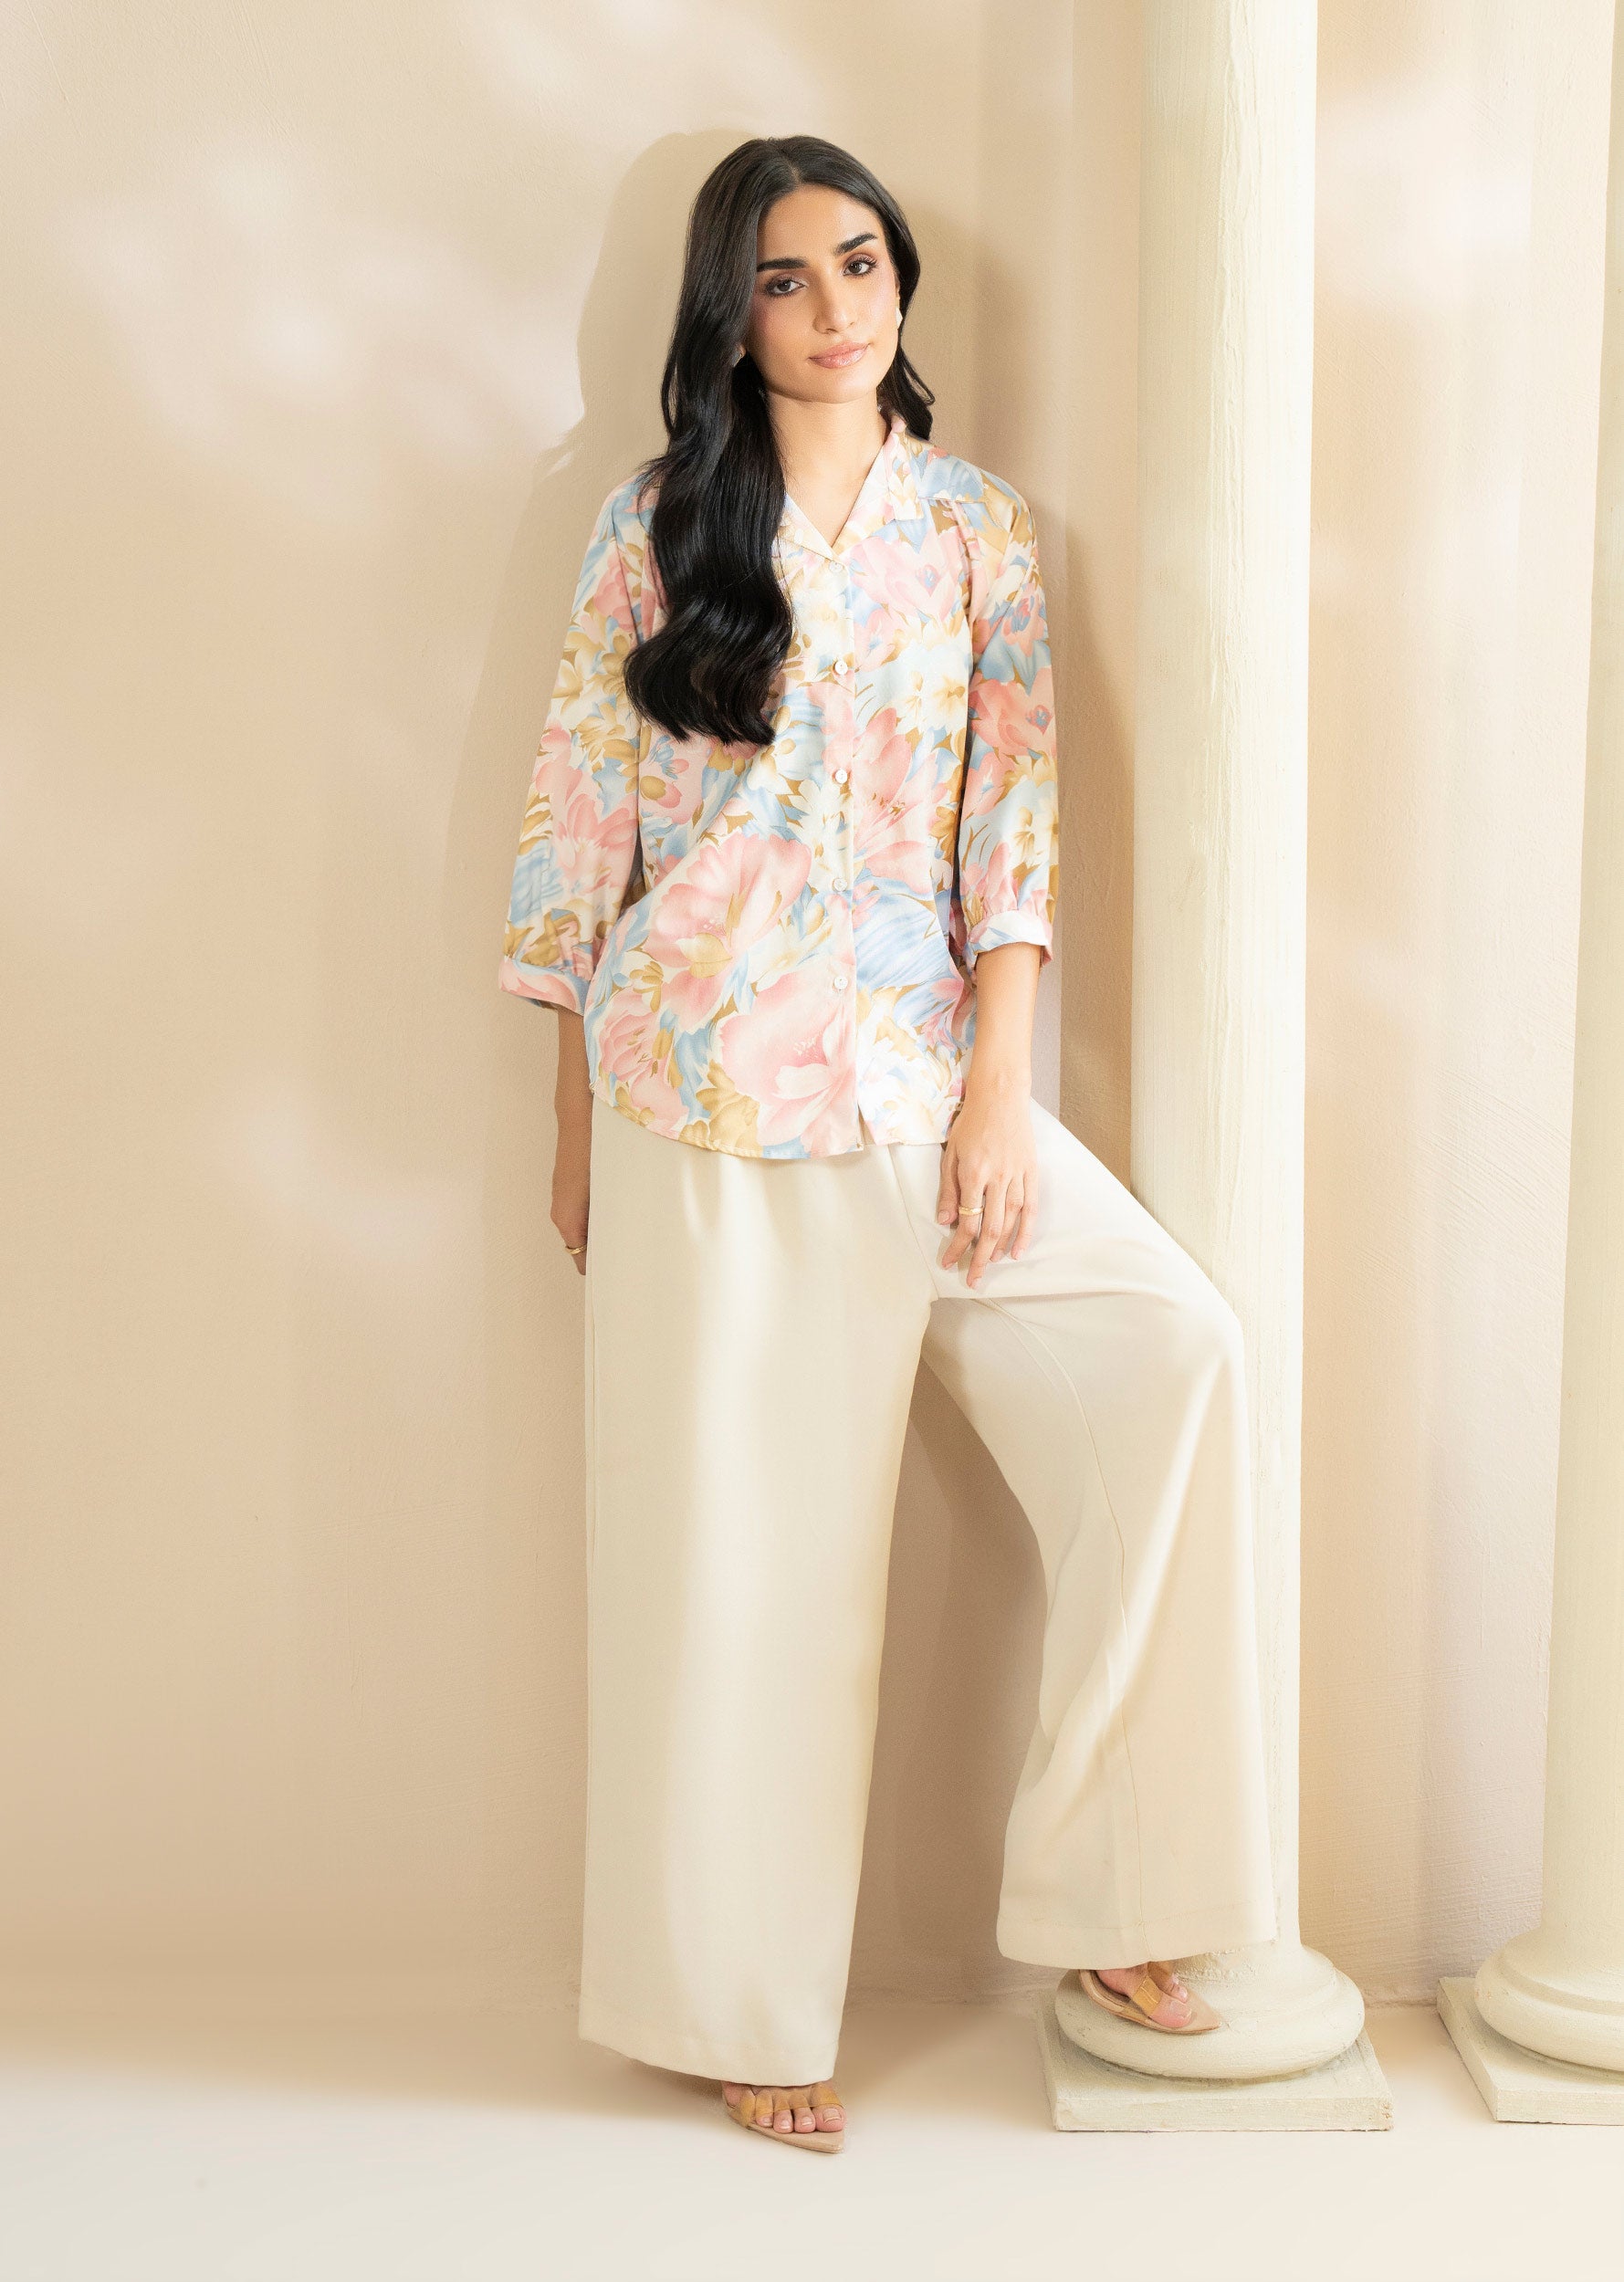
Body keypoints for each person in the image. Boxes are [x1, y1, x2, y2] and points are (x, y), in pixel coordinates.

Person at [498, 134, 1277, 2153]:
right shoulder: (656, 524)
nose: (836, 307)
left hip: (921, 1084)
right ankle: (741, 2004)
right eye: (786, 278)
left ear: (898, 277)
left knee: (1169, 1358)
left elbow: (1008, 823)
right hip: (700, 1099)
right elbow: (580, 828)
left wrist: (1001, 1088)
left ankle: (1118, 1900)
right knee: (746, 1563)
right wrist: (572, 1121)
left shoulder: (976, 531)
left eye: (859, 262)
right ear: (730, 312)